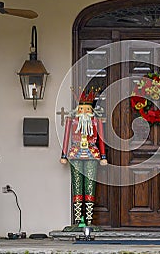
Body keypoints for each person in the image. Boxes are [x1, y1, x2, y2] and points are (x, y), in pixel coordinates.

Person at [60, 88, 107, 226]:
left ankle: (89, 220)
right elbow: (66, 137)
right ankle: (79, 220)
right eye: (81, 109)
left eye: (87, 109)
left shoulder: (96, 122)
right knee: (77, 185)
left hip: (92, 154)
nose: (84, 112)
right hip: (75, 154)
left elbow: (101, 140)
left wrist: (103, 156)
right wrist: (63, 155)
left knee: (90, 185)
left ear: (91, 110)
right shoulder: (72, 121)